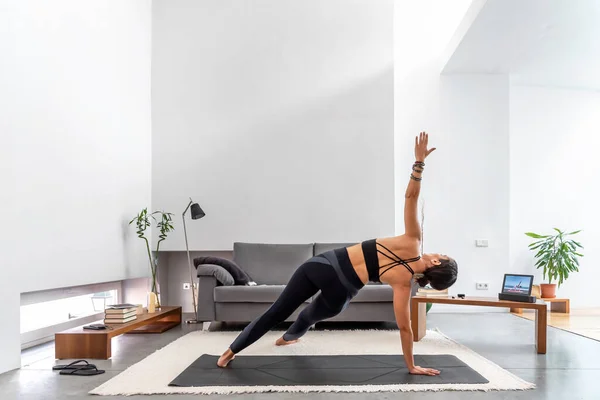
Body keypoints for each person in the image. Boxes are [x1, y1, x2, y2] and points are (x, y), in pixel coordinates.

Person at [217, 132, 458, 376]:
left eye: (443, 254)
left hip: (322, 265)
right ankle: (290, 336)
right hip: (341, 290)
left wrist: (419, 163)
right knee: (310, 315)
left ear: (437, 261)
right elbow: (405, 328)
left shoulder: (413, 241)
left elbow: (411, 196)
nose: (439, 251)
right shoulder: (404, 284)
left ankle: (230, 352)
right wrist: (411, 366)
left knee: (277, 311)